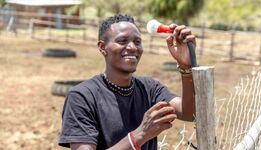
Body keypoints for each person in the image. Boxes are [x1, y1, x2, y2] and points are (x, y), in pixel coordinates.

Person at [59, 14, 196, 150]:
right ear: (102, 47)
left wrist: (186, 67)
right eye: (122, 41)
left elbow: (190, 113)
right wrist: (139, 135)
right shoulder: (82, 97)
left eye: (137, 42)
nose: (132, 47)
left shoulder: (150, 88)